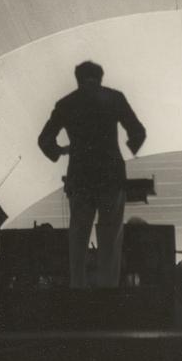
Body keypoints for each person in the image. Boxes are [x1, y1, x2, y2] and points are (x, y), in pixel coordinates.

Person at [38, 61, 146, 288]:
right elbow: (138, 131)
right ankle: (108, 293)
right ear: (101, 77)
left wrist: (61, 151)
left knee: (78, 238)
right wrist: (131, 147)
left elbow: (44, 140)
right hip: (111, 177)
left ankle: (78, 291)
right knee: (110, 238)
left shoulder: (66, 104)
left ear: (77, 79)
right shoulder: (115, 98)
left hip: (80, 178)